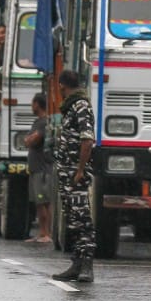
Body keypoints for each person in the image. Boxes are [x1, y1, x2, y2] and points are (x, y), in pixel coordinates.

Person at [51, 70, 96, 282]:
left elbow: (87, 140)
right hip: (67, 172)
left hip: (75, 173)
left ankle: (87, 265)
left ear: (62, 85)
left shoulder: (81, 106)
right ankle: (77, 263)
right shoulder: (72, 106)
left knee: (82, 218)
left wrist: (80, 170)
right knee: (72, 219)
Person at [25, 92, 55, 243]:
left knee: (44, 202)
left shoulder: (43, 122)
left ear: (37, 104)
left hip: (42, 170)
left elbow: (33, 140)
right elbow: (28, 140)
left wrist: (29, 139)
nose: (31, 106)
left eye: (32, 103)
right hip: (35, 169)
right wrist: (29, 139)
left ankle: (47, 234)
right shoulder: (37, 122)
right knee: (39, 202)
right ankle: (42, 233)